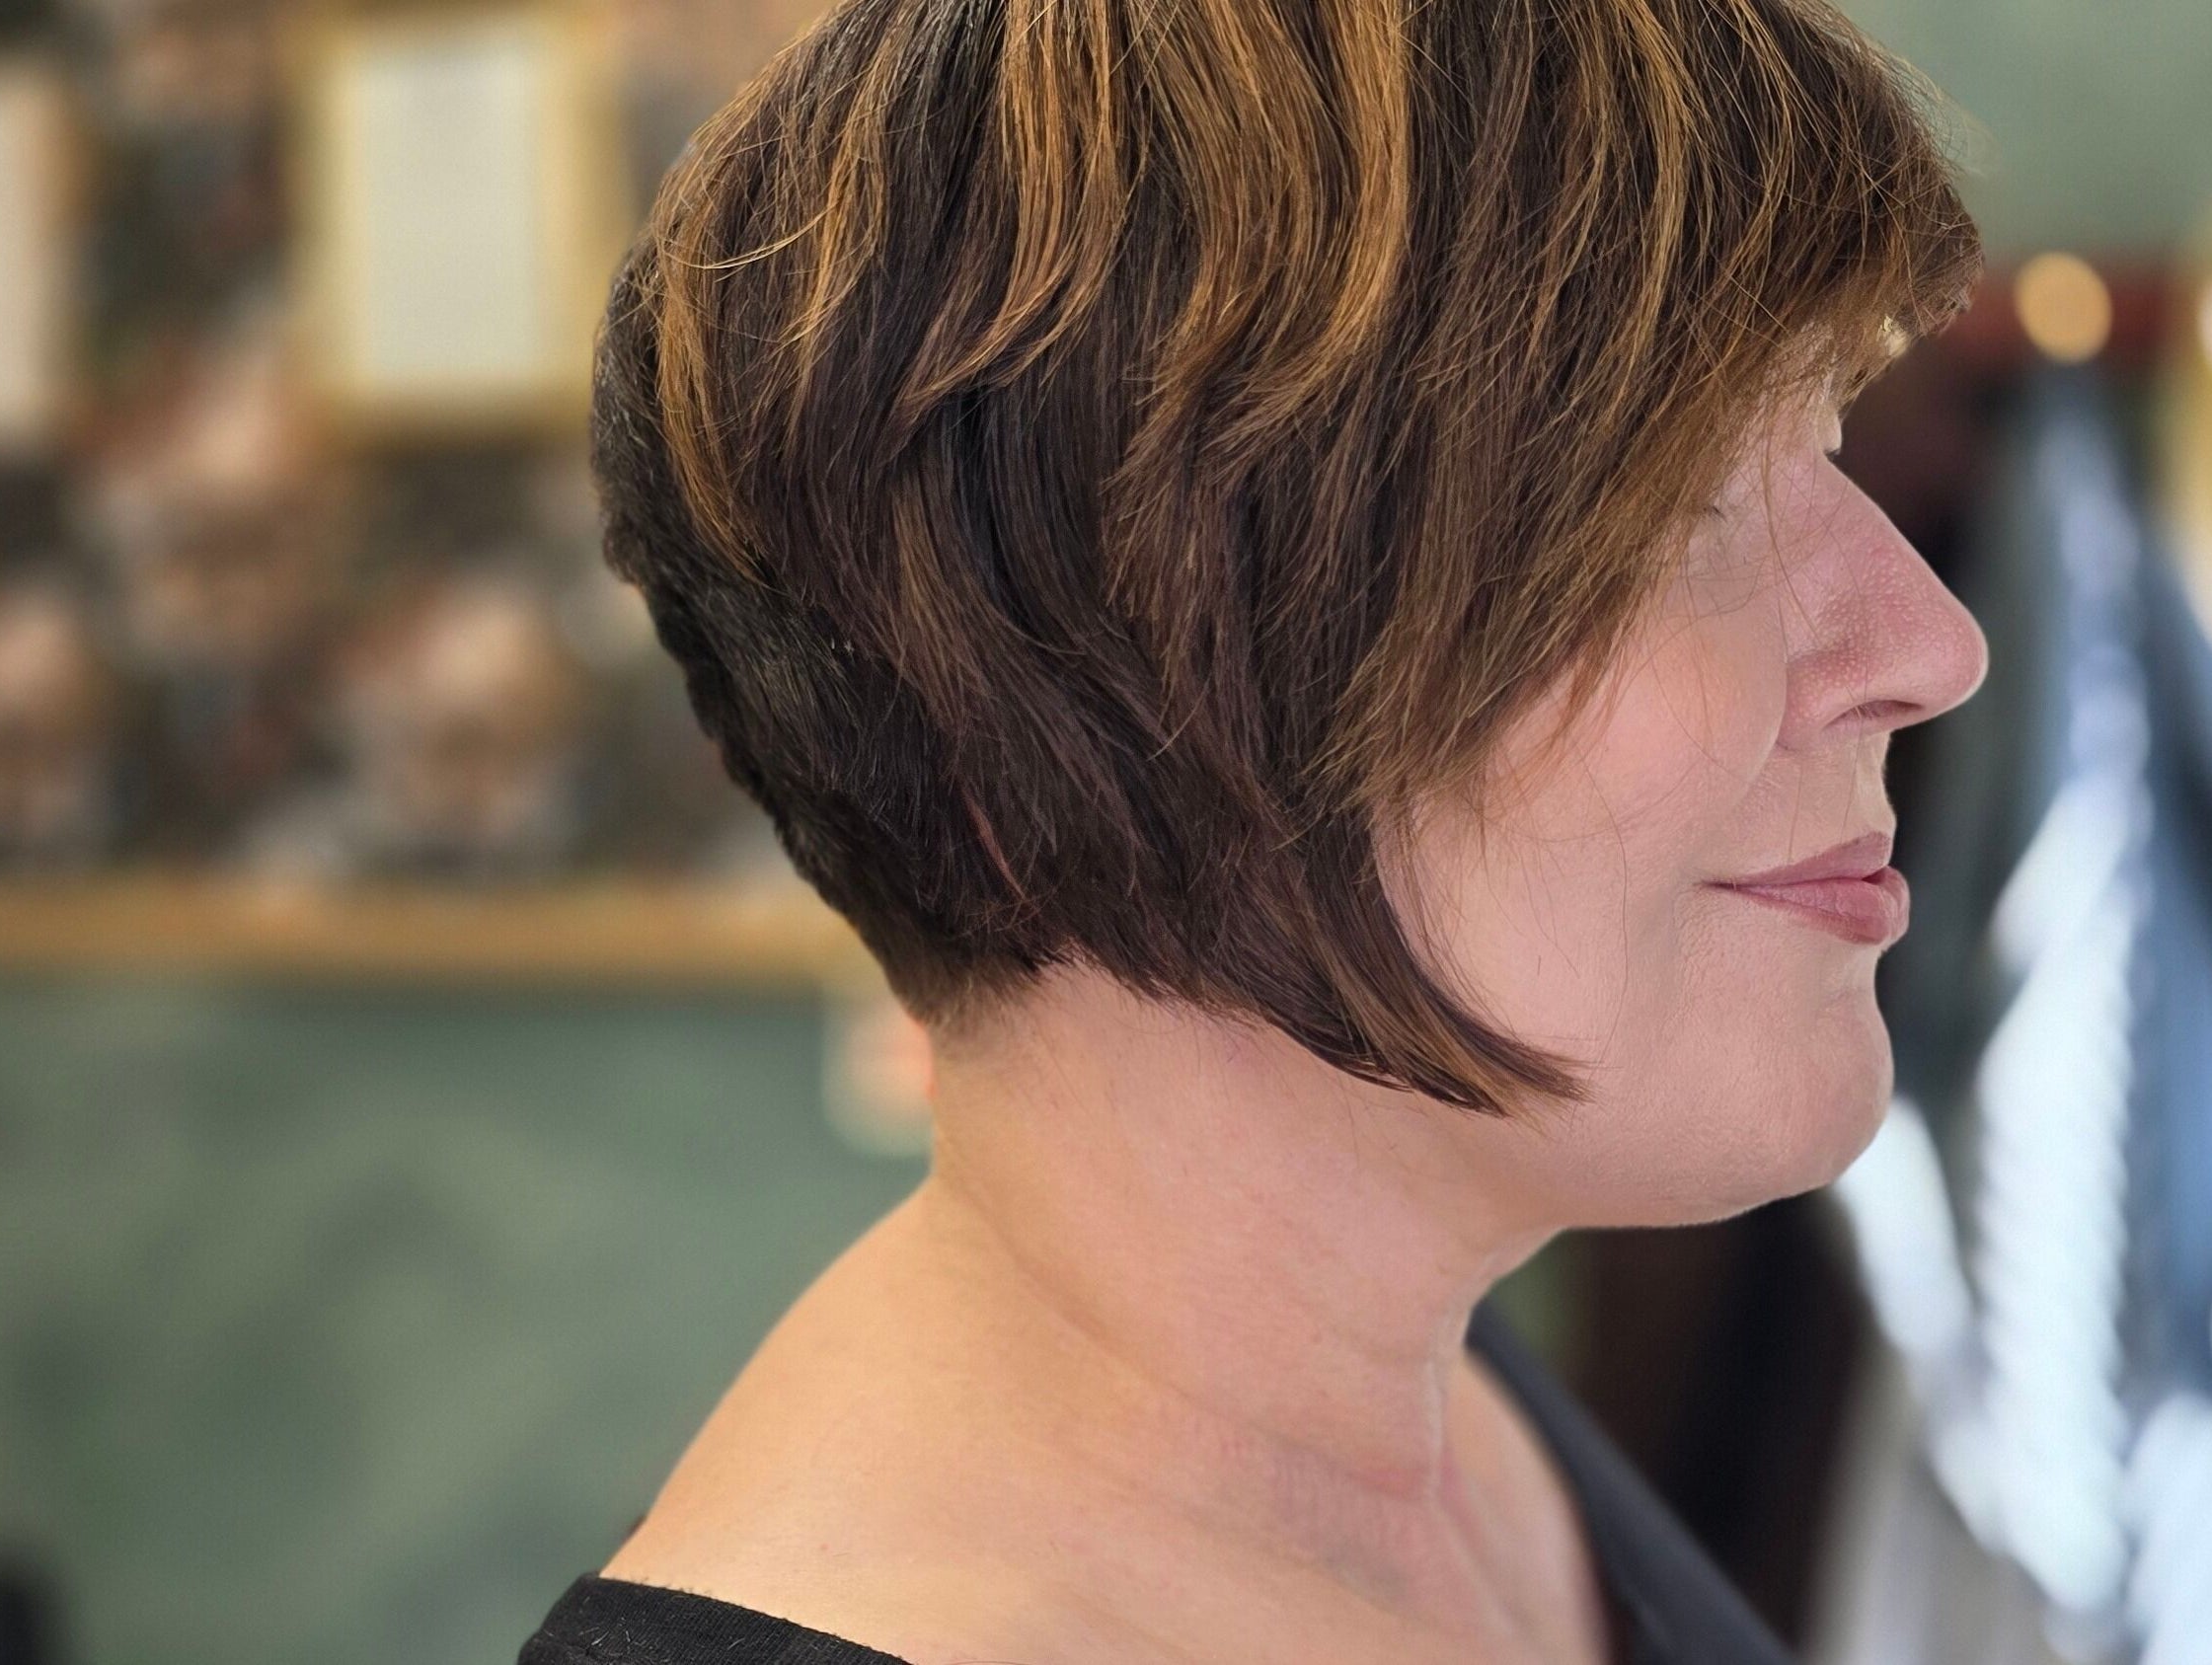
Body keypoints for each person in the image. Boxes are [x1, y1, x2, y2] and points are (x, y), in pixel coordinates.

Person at [519, 0, 1991, 1656]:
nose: (1933, 645)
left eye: (1827, 441)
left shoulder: (1435, 1418)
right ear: (1111, 701)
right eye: (1676, 503)